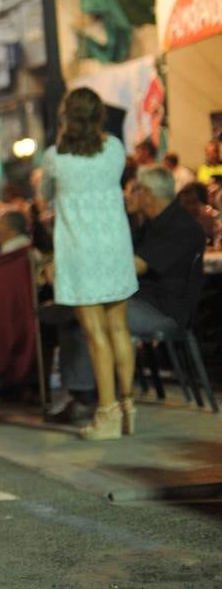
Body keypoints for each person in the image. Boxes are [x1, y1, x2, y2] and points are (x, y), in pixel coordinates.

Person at [60, 166, 206, 405]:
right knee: (73, 316)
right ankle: (79, 392)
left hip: (163, 310)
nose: (126, 195)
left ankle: (84, 397)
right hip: (140, 300)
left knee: (90, 318)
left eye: (132, 190)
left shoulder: (180, 226)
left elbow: (135, 266)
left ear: (147, 193)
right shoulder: (149, 224)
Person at [39, 89, 138, 440]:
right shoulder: (114, 149)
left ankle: (106, 414)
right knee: (119, 330)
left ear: (66, 115)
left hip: (80, 251)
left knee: (95, 336)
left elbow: (46, 196)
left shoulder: (54, 158)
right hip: (114, 246)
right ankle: (128, 408)